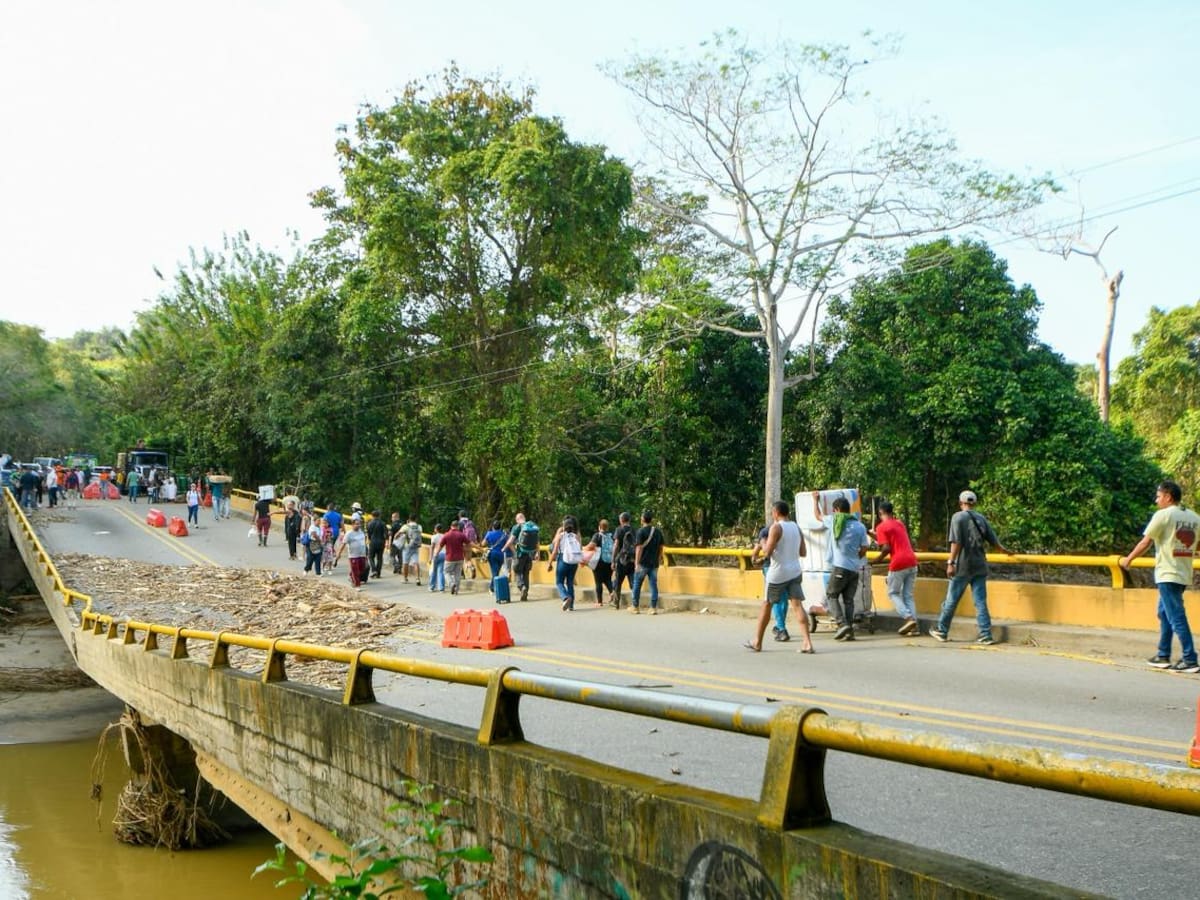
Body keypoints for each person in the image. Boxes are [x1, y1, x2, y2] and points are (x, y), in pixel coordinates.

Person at [1120, 480, 1200, 673]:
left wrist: (1128, 559)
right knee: (1165, 613)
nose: (1156, 500)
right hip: (1183, 572)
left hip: (1167, 572)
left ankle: (1190, 658)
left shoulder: (1163, 515)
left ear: (1168, 497)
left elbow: (1146, 542)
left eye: (1158, 496)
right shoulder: (1194, 517)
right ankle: (1162, 654)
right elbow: (1197, 546)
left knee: (1176, 616)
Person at [930, 490, 1014, 645]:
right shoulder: (981, 518)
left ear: (960, 502)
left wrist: (951, 562)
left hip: (963, 565)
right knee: (980, 601)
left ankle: (942, 630)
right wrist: (1005, 551)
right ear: (974, 503)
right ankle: (985, 634)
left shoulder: (958, 517)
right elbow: (994, 541)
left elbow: (956, 542)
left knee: (952, 600)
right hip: (980, 565)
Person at [745, 500, 814, 653]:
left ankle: (757, 641)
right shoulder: (796, 527)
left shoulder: (776, 528)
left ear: (775, 513)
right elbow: (803, 552)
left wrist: (763, 542)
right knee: (797, 606)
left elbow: (767, 552)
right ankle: (807, 642)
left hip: (777, 574)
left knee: (767, 604)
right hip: (795, 571)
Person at [819, 494, 870, 641]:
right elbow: (865, 547)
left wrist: (816, 501)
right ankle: (849, 631)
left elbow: (818, 516)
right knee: (849, 600)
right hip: (855, 570)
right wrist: (855, 557)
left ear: (836, 510)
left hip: (840, 567)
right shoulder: (860, 526)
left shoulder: (835, 520)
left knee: (831, 595)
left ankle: (841, 624)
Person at [872, 501, 920, 635]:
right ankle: (914, 627)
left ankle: (909, 618)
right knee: (908, 596)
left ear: (880, 513)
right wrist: (871, 534)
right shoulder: (899, 523)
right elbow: (886, 539)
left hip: (898, 563)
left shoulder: (881, 527)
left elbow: (886, 547)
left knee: (892, 593)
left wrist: (875, 561)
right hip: (912, 561)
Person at [630, 510, 665, 615]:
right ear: (651, 520)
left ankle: (635, 607)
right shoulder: (658, 532)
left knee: (637, 584)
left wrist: (636, 563)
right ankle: (653, 608)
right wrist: (658, 558)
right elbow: (661, 547)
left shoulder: (641, 532)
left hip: (642, 563)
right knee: (653, 585)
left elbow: (639, 548)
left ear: (642, 519)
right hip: (654, 564)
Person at [549, 516, 583, 611]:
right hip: (573, 561)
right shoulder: (576, 536)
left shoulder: (561, 535)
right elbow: (580, 549)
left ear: (564, 526)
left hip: (563, 559)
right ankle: (571, 605)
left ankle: (565, 597)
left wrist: (550, 563)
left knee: (559, 582)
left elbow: (555, 551)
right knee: (570, 582)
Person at [504, 512, 540, 602]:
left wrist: (504, 549)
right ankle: (525, 593)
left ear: (517, 520)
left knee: (517, 572)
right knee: (526, 573)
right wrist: (537, 553)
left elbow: (510, 542)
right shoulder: (532, 526)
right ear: (524, 518)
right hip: (529, 554)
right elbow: (537, 542)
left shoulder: (517, 527)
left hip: (519, 554)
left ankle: (522, 587)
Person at [584, 518, 615, 607]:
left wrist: (584, 548)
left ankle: (599, 601)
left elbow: (591, 546)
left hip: (599, 562)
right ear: (607, 527)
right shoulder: (611, 535)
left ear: (599, 527)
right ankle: (612, 592)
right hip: (609, 561)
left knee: (598, 582)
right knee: (608, 579)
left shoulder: (597, 535)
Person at [610, 512, 636, 610]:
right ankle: (635, 603)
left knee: (618, 582)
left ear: (621, 520)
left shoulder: (619, 529)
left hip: (621, 560)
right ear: (629, 520)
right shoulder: (634, 530)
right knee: (633, 583)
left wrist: (613, 560)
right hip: (632, 560)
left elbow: (616, 545)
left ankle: (616, 603)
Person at [335, 517, 369, 589]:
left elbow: (364, 542)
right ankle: (357, 585)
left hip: (362, 554)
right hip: (353, 555)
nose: (358, 525)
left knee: (362, 569)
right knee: (355, 570)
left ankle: (351, 576)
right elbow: (343, 544)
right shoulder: (349, 534)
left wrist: (366, 554)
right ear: (352, 525)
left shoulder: (361, 532)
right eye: (356, 524)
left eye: (359, 524)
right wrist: (339, 553)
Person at [440, 520, 470, 595]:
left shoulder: (446, 535)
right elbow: (469, 543)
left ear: (451, 526)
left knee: (446, 572)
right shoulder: (461, 535)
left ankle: (451, 584)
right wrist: (478, 548)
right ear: (458, 527)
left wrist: (436, 553)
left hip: (449, 558)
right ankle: (456, 590)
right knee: (458, 574)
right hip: (460, 558)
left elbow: (440, 546)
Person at [482, 519, 508, 593]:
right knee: (496, 571)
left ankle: (492, 588)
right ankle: (492, 587)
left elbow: (483, 543)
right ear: (500, 527)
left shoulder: (489, 533)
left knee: (494, 571)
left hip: (492, 554)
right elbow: (509, 544)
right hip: (501, 554)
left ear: (493, 527)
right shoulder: (504, 534)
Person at [365, 509, 389, 579]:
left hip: (373, 542)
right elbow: (386, 534)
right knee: (380, 558)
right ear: (379, 516)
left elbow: (368, 534)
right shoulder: (383, 523)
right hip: (381, 542)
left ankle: (374, 570)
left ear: (372, 516)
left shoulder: (369, 524)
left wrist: (369, 540)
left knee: (370, 557)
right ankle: (378, 573)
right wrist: (387, 542)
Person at [402, 513, 423, 582]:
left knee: (405, 562)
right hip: (416, 546)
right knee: (415, 562)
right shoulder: (419, 526)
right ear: (416, 519)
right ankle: (417, 578)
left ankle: (405, 578)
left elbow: (399, 533)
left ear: (409, 519)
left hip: (407, 546)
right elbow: (420, 534)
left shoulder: (406, 526)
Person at [428, 523, 446, 592]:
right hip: (444, 554)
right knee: (441, 571)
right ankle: (441, 587)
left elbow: (432, 547)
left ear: (435, 529)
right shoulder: (444, 536)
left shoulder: (434, 537)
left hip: (436, 554)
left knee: (434, 571)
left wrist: (430, 557)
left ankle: (432, 587)